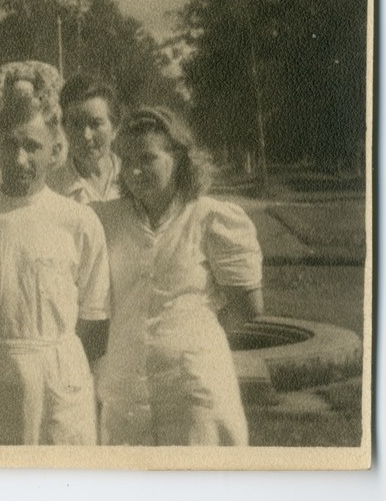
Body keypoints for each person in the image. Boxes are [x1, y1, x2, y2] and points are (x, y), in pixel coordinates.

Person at [0, 83, 110, 445]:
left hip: (55, 388)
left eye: (32, 146)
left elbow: (94, 328)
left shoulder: (79, 222)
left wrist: (48, 362)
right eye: (11, 144)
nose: (19, 159)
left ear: (54, 150)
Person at [93, 106, 264, 446]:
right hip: (127, 387)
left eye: (148, 158)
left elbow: (249, 306)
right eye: (126, 160)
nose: (135, 170)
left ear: (179, 159)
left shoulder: (210, 218)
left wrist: (192, 337)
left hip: (195, 389)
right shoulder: (104, 220)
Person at [49, 75, 121, 204]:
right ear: (64, 128)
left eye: (95, 124)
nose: (86, 135)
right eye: (76, 124)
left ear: (115, 127)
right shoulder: (52, 190)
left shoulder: (133, 179)